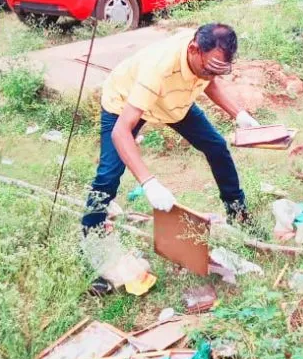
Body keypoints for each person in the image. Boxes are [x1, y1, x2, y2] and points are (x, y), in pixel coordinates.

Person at [81, 23, 259, 232]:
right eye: (208, 70)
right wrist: (149, 183)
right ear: (193, 49)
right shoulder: (158, 69)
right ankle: (91, 231)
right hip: (125, 101)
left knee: (217, 147)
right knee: (108, 175)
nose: (210, 76)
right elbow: (120, 132)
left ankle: (238, 215)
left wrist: (239, 114)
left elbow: (209, 82)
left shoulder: (204, 57)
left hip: (171, 101)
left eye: (216, 72)